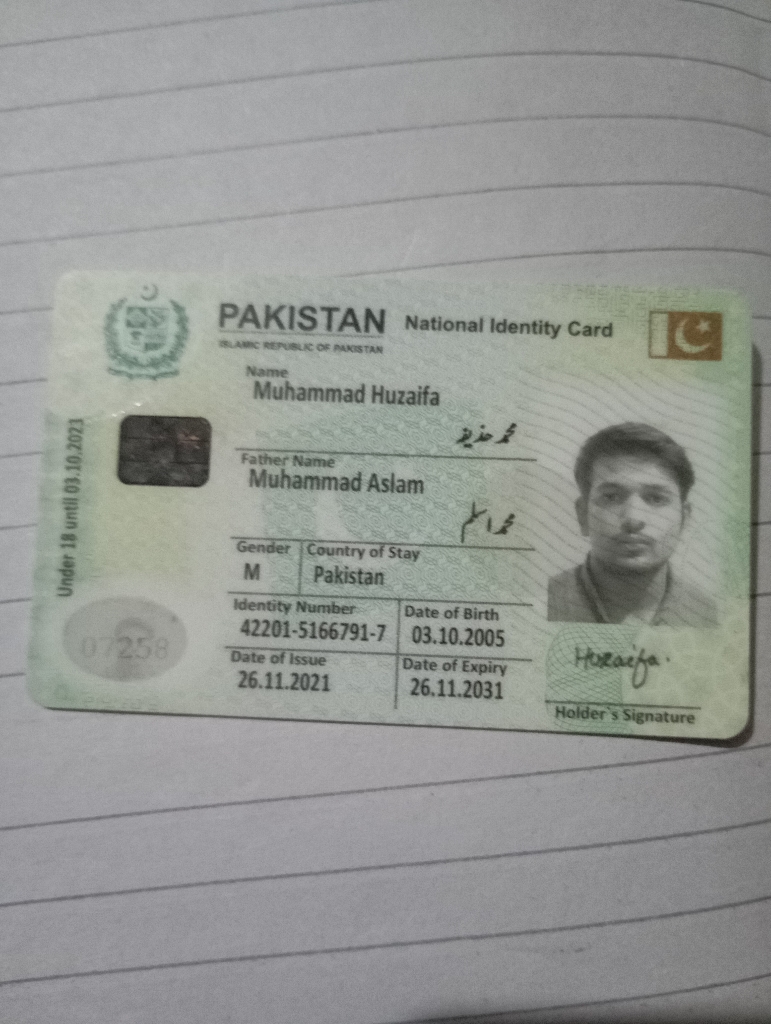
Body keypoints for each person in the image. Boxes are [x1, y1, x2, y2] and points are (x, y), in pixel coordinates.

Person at [547, 423, 718, 626]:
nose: (633, 518)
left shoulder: (711, 616)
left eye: (656, 498)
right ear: (582, 515)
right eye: (611, 497)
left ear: (684, 518)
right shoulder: (541, 601)